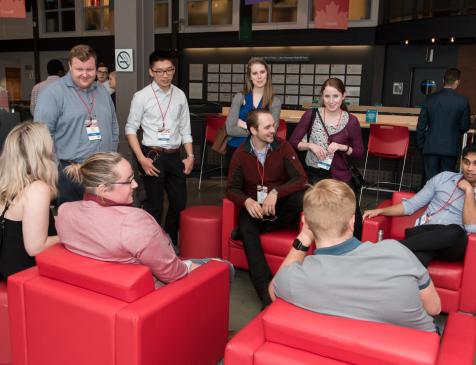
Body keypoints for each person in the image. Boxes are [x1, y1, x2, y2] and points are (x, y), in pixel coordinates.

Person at [270, 179, 440, 332]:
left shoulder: (294, 278)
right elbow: (434, 309)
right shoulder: (398, 252)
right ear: (352, 221)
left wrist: (303, 238)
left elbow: (273, 291)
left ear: (305, 223)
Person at [56, 152, 233, 288]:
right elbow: (173, 274)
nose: (135, 185)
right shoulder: (135, 223)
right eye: (128, 181)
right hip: (154, 294)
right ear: (103, 190)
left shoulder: (65, 213)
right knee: (225, 267)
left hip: (105, 290)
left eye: (134, 178)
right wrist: (192, 266)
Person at [226, 109, 307, 308]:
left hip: (278, 206)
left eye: (274, 125)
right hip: (255, 208)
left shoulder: (283, 147)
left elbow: (301, 179)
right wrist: (246, 201)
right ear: (253, 130)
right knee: (248, 229)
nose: (274, 130)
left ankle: (259, 228)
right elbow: (232, 189)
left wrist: (276, 192)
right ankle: (266, 294)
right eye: (268, 127)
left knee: (301, 198)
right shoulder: (241, 154)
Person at [363, 143, 476, 267]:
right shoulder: (443, 178)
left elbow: (471, 228)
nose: (470, 168)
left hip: (452, 244)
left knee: (456, 230)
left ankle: (393, 247)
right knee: (422, 254)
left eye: (475, 163)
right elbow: (411, 205)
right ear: (461, 162)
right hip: (423, 233)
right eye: (466, 162)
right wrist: (380, 211)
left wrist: (469, 191)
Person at [34, 44, 119, 206]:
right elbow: (41, 136)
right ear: (70, 66)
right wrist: (57, 170)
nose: (85, 74)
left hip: (103, 172)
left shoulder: (102, 92)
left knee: (102, 222)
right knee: (74, 226)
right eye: (80, 69)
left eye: (90, 69)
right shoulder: (53, 94)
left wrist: (111, 157)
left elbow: (114, 125)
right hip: (70, 174)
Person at [125, 50, 193, 247]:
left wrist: (190, 156)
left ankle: (169, 240)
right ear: (151, 72)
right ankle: (152, 244)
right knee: (154, 205)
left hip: (175, 156)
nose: (165, 75)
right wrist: (141, 159)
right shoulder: (141, 96)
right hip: (152, 155)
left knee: (179, 203)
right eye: (160, 71)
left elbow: (185, 128)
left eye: (169, 70)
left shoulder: (180, 95)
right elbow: (130, 129)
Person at [289, 77, 364, 238]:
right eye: (327, 96)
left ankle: (354, 252)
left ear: (344, 96)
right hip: (314, 174)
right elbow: (293, 142)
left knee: (354, 216)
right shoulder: (311, 115)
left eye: (335, 96)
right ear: (322, 96)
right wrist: (310, 145)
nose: (331, 101)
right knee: (297, 205)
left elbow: (359, 152)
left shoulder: (351, 121)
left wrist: (341, 147)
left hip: (339, 176)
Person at [0, 122, 59, 281]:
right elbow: (35, 247)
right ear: (41, 152)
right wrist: (69, 235)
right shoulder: (37, 188)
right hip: (24, 275)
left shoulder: (8, 183)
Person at [225, 57, 281, 169]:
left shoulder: (275, 101)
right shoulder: (239, 97)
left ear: (267, 74)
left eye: (262, 72)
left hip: (261, 152)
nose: (259, 77)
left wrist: (244, 125)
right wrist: (259, 130)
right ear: (250, 77)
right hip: (236, 149)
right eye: (255, 73)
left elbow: (271, 132)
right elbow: (230, 129)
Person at [416, 68, 470, 182]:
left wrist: (421, 145)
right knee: (446, 183)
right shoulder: (463, 101)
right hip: (450, 148)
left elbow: (421, 125)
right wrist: (454, 133)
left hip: (430, 147)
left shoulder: (429, 99)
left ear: (443, 80)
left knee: (430, 183)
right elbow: (465, 126)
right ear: (457, 82)